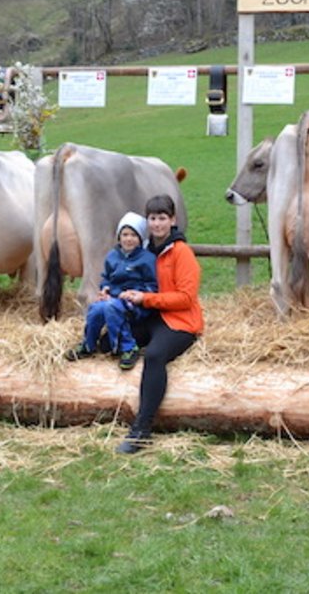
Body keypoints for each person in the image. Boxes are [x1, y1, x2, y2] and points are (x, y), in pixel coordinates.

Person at [115, 194, 204, 455]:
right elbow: (123, 277)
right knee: (111, 339)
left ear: (172, 220)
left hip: (181, 321)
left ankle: (142, 429)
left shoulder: (181, 252)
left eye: (162, 218)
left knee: (154, 356)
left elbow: (186, 298)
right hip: (152, 316)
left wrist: (146, 299)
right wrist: (111, 292)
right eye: (152, 218)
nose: (157, 224)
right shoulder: (143, 250)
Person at [66, 212, 157, 370]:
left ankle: (128, 348)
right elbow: (106, 278)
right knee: (96, 309)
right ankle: (88, 344)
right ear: (119, 237)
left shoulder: (147, 259)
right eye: (125, 234)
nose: (128, 239)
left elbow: (152, 285)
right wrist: (105, 289)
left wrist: (135, 294)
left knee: (112, 307)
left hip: (135, 303)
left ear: (141, 238)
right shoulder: (113, 256)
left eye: (133, 235)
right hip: (115, 298)